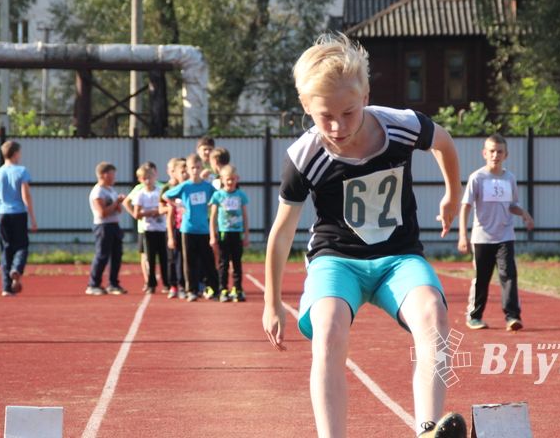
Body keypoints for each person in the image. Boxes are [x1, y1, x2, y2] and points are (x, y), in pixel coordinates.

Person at [262, 33, 467, 438]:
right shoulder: (304, 158)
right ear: (306, 107)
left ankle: (428, 429)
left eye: (349, 113)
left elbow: (442, 141)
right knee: (329, 326)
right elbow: (281, 233)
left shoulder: (401, 126)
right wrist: (271, 303)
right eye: (325, 116)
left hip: (399, 256)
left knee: (434, 315)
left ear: (366, 94)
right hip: (336, 259)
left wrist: (452, 195)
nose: (338, 127)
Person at [458, 134, 533, 332]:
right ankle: (474, 316)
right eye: (492, 151)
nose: (495, 155)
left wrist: (524, 213)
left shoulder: (509, 178)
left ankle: (512, 317)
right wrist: (462, 236)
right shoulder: (477, 178)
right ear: (485, 153)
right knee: (481, 278)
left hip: (505, 236)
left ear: (506, 154)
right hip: (482, 237)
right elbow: (465, 206)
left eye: (499, 151)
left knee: (508, 275)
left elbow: (512, 205)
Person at [164, 153, 217, 302]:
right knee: (189, 261)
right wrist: (178, 206)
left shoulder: (207, 186)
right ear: (188, 168)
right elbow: (166, 196)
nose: (195, 170)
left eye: (198, 167)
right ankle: (191, 290)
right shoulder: (185, 186)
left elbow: (218, 196)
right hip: (187, 229)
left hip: (204, 229)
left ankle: (214, 288)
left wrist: (212, 205)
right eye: (192, 167)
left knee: (208, 261)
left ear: (202, 168)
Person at [0, 140, 37, 297]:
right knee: (22, 246)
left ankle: (6, 288)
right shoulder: (22, 171)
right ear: (16, 153)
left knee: (6, 249)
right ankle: (16, 268)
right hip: (19, 214)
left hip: (3, 214)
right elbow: (26, 196)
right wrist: (33, 218)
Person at [85, 162, 127, 296]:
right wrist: (116, 203)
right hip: (103, 226)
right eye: (112, 173)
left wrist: (119, 203)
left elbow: (118, 210)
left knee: (116, 256)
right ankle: (93, 284)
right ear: (104, 174)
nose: (115, 176)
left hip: (114, 225)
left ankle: (113, 283)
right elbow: (102, 212)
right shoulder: (98, 191)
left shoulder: (111, 190)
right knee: (102, 255)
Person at [209, 164, 249, 302]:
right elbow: (213, 216)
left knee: (237, 263)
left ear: (237, 179)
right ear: (222, 179)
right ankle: (223, 289)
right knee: (223, 263)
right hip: (223, 233)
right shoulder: (218, 195)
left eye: (233, 179)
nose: (230, 182)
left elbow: (245, 216)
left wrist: (246, 235)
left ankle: (237, 289)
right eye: (228, 179)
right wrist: (212, 235)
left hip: (237, 233)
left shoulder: (240, 195)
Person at [131, 164, 169, 295]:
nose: (148, 181)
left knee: (164, 258)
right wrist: (149, 213)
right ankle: (151, 283)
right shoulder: (140, 194)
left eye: (150, 177)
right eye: (145, 178)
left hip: (161, 229)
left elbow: (165, 208)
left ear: (155, 177)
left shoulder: (160, 191)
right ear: (140, 180)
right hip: (148, 230)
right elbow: (136, 214)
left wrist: (157, 211)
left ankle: (167, 283)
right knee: (150, 259)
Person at [124, 161, 159, 290]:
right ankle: (148, 280)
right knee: (145, 255)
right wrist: (135, 214)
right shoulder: (139, 188)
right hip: (144, 228)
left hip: (160, 227)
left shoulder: (161, 187)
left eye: (151, 173)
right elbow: (126, 201)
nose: (149, 178)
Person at [162, 157, 188, 299]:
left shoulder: (189, 190)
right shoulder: (174, 192)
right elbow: (170, 215)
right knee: (173, 259)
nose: (185, 175)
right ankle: (174, 285)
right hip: (176, 229)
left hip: (188, 230)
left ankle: (185, 285)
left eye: (186, 172)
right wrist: (171, 236)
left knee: (186, 259)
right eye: (182, 172)